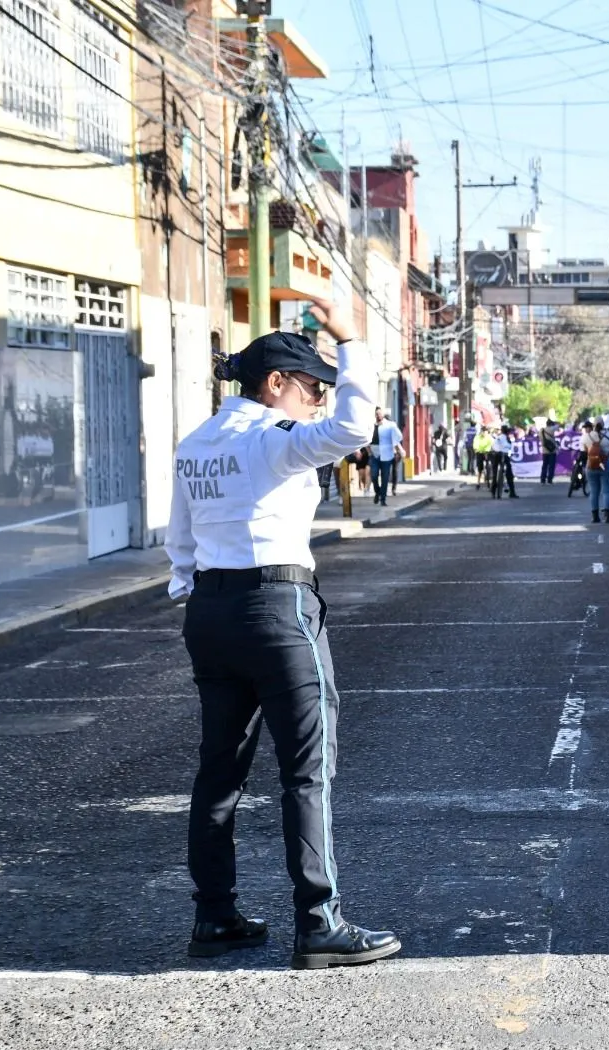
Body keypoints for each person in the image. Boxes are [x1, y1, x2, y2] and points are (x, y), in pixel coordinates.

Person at [165, 298, 400, 970]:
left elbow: (179, 544)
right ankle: (319, 922)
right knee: (307, 770)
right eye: (311, 388)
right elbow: (355, 425)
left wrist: (200, 594)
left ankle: (214, 915)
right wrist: (351, 341)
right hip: (278, 606)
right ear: (275, 383)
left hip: (208, 613)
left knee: (219, 771)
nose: (316, 400)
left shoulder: (196, 444)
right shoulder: (270, 438)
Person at [582, 420, 609, 523]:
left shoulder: (587, 436)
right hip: (607, 464)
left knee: (594, 491)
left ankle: (595, 516)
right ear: (603, 424)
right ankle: (607, 516)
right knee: (607, 491)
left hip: (591, 465)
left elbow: (584, 451)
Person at [370, 409, 402, 505]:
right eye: (376, 414)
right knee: (374, 475)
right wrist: (369, 452)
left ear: (383, 414)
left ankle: (383, 499)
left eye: (380, 414)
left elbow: (396, 438)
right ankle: (378, 492)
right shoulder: (371, 426)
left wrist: (397, 451)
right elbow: (366, 440)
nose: (378, 415)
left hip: (387, 454)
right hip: (374, 455)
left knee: (385, 477)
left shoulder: (390, 425)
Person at [489, 424, 518, 499]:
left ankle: (493, 491)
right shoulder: (507, 438)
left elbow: (494, 446)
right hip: (503, 455)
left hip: (496, 455)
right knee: (509, 474)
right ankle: (512, 492)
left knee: (495, 474)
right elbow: (509, 448)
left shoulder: (498, 437)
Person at [567, 421, 590, 498]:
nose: (586, 429)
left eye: (587, 427)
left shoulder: (593, 435)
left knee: (587, 470)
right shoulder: (583, 436)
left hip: (590, 455)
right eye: (585, 428)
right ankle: (576, 481)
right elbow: (579, 447)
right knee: (576, 467)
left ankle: (585, 481)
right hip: (582, 454)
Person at [539, 420, 560, 484]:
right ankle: (549, 480)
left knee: (544, 465)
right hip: (552, 450)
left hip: (544, 450)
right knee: (551, 466)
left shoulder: (541, 430)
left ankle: (542, 479)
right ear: (551, 425)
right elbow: (558, 426)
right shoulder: (552, 429)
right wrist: (556, 423)